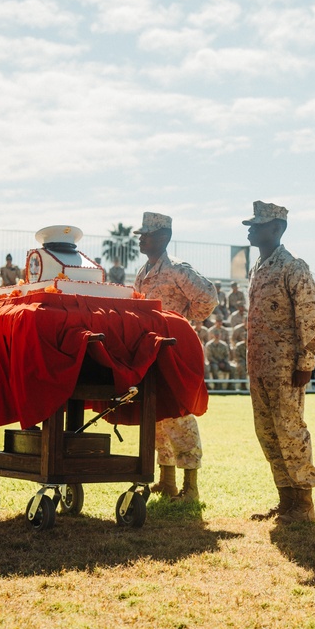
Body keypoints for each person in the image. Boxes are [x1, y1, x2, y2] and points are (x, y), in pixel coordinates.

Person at [244, 201, 315, 524]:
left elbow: (310, 319)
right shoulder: (258, 268)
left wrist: (306, 363)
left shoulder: (294, 267)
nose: (250, 229)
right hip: (260, 367)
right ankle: (286, 499)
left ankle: (304, 502)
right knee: (268, 433)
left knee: (290, 431)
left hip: (287, 369)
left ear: (276, 229)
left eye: (257, 224)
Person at [133, 212, 219, 501]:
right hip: (150, 353)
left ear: (163, 237)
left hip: (173, 351)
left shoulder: (178, 270)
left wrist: (184, 323)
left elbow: (208, 296)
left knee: (179, 414)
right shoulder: (143, 272)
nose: (141, 238)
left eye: (146, 233)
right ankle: (166, 480)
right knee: (156, 413)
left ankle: (190, 486)